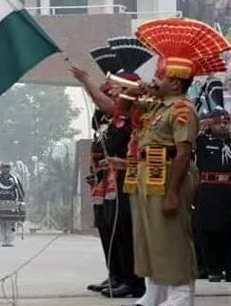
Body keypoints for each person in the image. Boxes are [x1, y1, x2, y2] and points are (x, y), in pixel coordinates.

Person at [103, 18, 230, 306]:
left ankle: (181, 293)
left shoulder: (182, 109)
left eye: (159, 75)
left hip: (171, 174)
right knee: (150, 236)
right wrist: (134, 91)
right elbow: (119, 110)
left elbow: (184, 152)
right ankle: (156, 290)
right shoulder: (157, 106)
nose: (154, 80)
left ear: (175, 80)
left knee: (171, 237)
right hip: (149, 174)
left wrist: (173, 192)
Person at [72, 43, 148, 298]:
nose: (113, 95)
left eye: (117, 91)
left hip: (127, 180)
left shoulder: (131, 117)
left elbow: (103, 103)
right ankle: (116, 275)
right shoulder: (112, 120)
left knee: (124, 231)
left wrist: (85, 80)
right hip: (107, 181)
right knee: (109, 230)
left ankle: (132, 280)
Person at [193, 78, 231, 283]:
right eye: (219, 123)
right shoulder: (202, 140)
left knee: (228, 230)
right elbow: (186, 135)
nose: (223, 126)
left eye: (227, 122)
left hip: (228, 191)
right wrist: (200, 123)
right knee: (208, 230)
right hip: (208, 190)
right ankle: (212, 267)